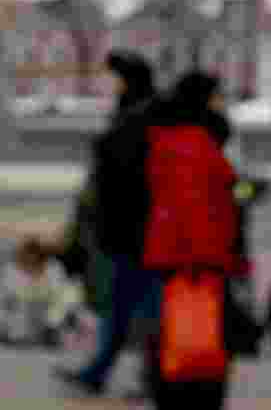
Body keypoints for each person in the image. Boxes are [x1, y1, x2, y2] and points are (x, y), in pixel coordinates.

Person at [55, 50, 160, 396]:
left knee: (140, 307)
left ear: (127, 79)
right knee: (124, 305)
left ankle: (140, 376)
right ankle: (104, 371)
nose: (109, 84)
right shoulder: (135, 114)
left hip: (135, 230)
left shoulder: (138, 118)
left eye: (114, 77)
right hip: (128, 229)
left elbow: (126, 176)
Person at [142, 71, 241, 410]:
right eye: (216, 96)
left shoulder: (163, 139)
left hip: (167, 258)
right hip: (197, 263)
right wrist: (209, 261)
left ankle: (169, 392)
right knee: (202, 342)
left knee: (169, 339)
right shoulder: (197, 145)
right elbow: (201, 209)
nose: (222, 103)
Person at [0, 236, 79, 348]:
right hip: (21, 312)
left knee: (71, 291)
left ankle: (49, 332)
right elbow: (5, 297)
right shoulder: (10, 269)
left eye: (34, 257)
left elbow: (61, 293)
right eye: (27, 257)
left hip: (46, 312)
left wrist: (55, 318)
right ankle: (14, 333)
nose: (31, 260)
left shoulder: (53, 268)